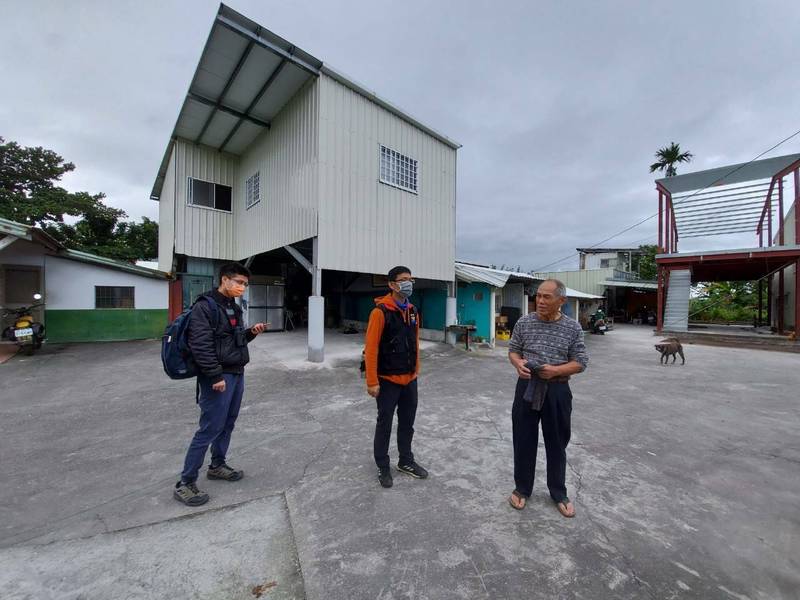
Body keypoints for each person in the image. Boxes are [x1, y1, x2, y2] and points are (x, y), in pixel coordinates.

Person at [173, 263, 268, 506]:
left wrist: (251, 333)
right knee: (209, 428)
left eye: (245, 284)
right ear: (224, 280)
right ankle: (185, 482)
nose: (242, 287)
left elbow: (232, 341)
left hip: (236, 373)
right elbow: (201, 345)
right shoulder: (205, 307)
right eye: (238, 282)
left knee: (227, 422)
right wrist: (215, 376)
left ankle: (217, 465)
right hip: (218, 377)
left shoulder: (232, 308)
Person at [507, 279, 589, 517]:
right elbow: (513, 350)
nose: (540, 301)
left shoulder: (572, 328)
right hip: (527, 386)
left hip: (557, 390)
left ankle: (558, 492)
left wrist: (556, 371)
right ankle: (522, 489)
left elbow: (581, 362)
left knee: (557, 442)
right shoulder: (524, 322)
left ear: (561, 301)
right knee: (523, 440)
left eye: (547, 297)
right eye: (538, 296)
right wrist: (517, 363)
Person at [364, 266, 429, 488]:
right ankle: (383, 465)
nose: (408, 283)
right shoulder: (380, 312)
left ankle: (406, 461)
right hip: (387, 380)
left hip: (410, 380)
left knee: (407, 423)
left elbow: (415, 342)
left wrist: (416, 370)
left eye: (411, 279)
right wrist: (372, 381)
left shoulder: (413, 310)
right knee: (385, 424)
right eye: (403, 280)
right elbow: (371, 349)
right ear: (392, 284)